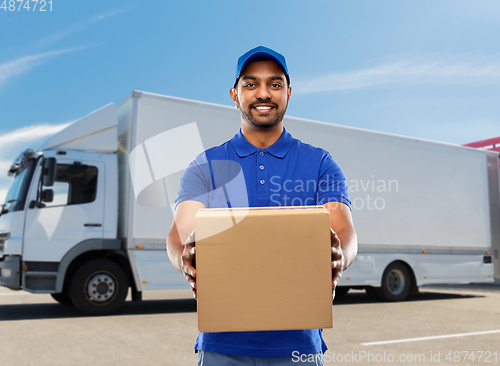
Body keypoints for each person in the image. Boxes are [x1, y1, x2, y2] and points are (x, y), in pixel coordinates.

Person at [166, 46, 357, 365]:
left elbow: (344, 231)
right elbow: (179, 233)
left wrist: (341, 256)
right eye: (251, 84)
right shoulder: (206, 165)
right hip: (221, 346)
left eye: (275, 84)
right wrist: (183, 258)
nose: (263, 94)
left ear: (288, 93)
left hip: (299, 347)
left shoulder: (320, 163)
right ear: (234, 94)